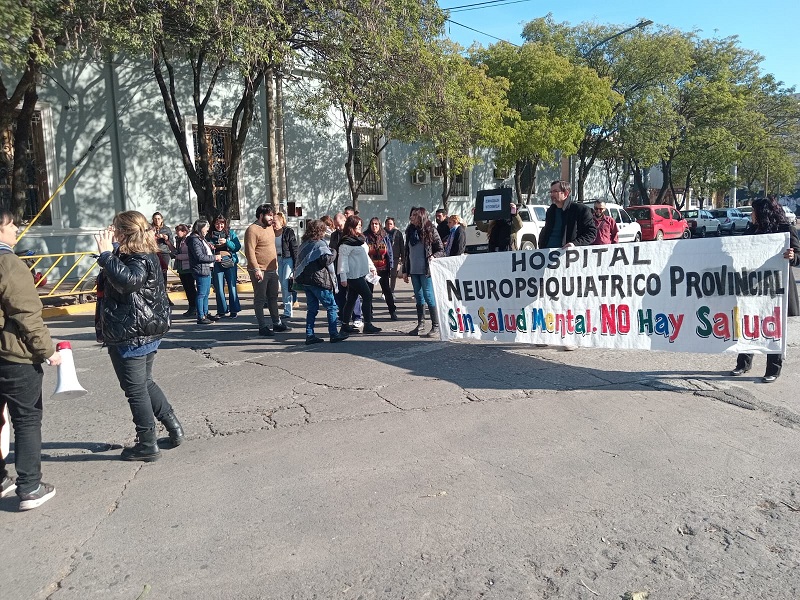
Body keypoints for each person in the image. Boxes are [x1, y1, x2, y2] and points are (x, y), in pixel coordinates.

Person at [95, 211, 184, 462]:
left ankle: (147, 443)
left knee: (135, 389)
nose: (111, 232)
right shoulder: (140, 253)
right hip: (143, 329)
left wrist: (104, 255)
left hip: (132, 333)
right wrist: (110, 253)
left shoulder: (138, 258)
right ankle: (174, 427)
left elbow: (130, 280)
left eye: (115, 229)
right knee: (144, 382)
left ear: (124, 233)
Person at [0, 209, 61, 510]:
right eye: (11, 226)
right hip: (12, 356)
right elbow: (26, 316)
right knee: (25, 420)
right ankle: (29, 487)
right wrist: (47, 352)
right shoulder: (9, 264)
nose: (15, 231)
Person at [731, 197, 799, 383]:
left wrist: (793, 256)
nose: (751, 215)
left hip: (776, 288)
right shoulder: (752, 230)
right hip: (752, 287)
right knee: (748, 325)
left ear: (762, 212)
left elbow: (799, 256)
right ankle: (743, 364)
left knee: (773, 328)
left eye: (753, 211)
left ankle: (773, 369)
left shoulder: (786, 230)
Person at [294, 220, 349, 345]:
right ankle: (334, 333)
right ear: (320, 231)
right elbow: (326, 260)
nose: (325, 232)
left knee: (312, 309)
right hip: (319, 281)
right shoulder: (319, 244)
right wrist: (334, 251)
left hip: (306, 282)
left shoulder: (304, 244)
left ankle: (310, 335)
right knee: (331, 306)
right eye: (323, 230)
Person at [244, 204, 291, 336]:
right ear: (260, 216)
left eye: (272, 215)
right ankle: (262, 326)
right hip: (260, 270)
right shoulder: (252, 230)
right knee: (260, 298)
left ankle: (277, 323)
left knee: (273, 297)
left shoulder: (270, 227)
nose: (271, 218)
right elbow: (250, 252)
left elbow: (279, 231)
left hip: (272, 269)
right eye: (269, 215)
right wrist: (256, 269)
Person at [403, 207, 444, 337]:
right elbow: (407, 252)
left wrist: (434, 256)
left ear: (421, 216)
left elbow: (441, 249)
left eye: (414, 215)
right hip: (414, 270)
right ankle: (420, 325)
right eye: (411, 215)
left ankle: (436, 326)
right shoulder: (410, 231)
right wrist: (405, 270)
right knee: (419, 297)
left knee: (428, 296)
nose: (411, 217)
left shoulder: (430, 229)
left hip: (426, 270)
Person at [338, 215, 381, 335]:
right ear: (351, 227)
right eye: (357, 226)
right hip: (352, 275)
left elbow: (365, 255)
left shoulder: (360, 239)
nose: (360, 228)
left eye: (361, 226)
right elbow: (342, 260)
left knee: (351, 299)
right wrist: (343, 277)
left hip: (361, 273)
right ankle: (367, 324)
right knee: (367, 296)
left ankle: (345, 325)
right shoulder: (345, 242)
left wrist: (372, 267)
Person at [538, 180, 597, 249]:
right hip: (546, 254)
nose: (552, 195)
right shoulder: (551, 211)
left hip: (568, 255)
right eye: (551, 192)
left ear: (566, 193)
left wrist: (575, 244)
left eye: (555, 191)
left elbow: (591, 233)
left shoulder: (581, 210)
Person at [207, 214, 241, 319]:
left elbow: (237, 247)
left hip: (230, 262)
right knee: (219, 287)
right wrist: (211, 246)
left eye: (222, 223)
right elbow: (206, 248)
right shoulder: (209, 235)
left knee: (232, 286)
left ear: (225, 224)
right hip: (216, 262)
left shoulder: (230, 233)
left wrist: (227, 242)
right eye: (217, 223)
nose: (219, 226)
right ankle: (221, 310)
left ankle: (234, 310)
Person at [187, 218, 219, 325]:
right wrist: (215, 257)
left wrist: (210, 248)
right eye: (206, 227)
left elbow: (204, 251)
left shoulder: (201, 239)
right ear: (200, 227)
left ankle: (205, 313)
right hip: (201, 269)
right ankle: (201, 316)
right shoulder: (194, 240)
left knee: (206, 293)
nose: (207, 229)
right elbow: (199, 256)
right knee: (201, 293)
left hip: (206, 268)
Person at [365, 217, 397, 320]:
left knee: (386, 291)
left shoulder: (385, 236)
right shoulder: (365, 236)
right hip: (370, 269)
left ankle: (392, 311)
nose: (374, 226)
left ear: (379, 225)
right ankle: (368, 313)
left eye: (376, 224)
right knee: (368, 292)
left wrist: (391, 266)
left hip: (383, 268)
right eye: (372, 224)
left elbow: (390, 252)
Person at [273, 212, 299, 320]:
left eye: (274, 222)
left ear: (281, 222)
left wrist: (296, 264)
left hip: (287, 259)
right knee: (280, 284)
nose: (273, 224)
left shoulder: (288, 231)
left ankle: (288, 311)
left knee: (285, 284)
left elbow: (294, 248)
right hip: (276, 259)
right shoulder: (270, 232)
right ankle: (285, 308)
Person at [171, 224, 197, 317]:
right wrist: (169, 244)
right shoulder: (179, 240)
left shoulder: (189, 240)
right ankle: (191, 307)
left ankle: (194, 307)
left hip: (188, 268)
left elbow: (191, 255)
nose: (177, 233)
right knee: (187, 289)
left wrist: (178, 256)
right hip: (181, 268)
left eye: (178, 231)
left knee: (191, 289)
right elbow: (176, 251)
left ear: (184, 231)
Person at [151, 212, 173, 304]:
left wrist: (166, 238)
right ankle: (156, 297)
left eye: (159, 218)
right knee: (153, 275)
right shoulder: (149, 228)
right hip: (153, 253)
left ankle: (165, 296)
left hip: (164, 253)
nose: (157, 220)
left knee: (163, 275)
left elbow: (171, 243)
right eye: (155, 219)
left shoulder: (166, 229)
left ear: (162, 219)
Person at [384, 217, 404, 291]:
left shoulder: (398, 233)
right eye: (387, 224)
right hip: (384, 256)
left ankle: (391, 290)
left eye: (391, 224)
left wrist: (402, 257)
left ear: (394, 225)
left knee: (393, 274)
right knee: (385, 275)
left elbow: (401, 245)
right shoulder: (382, 233)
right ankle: (384, 291)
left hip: (395, 256)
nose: (389, 225)